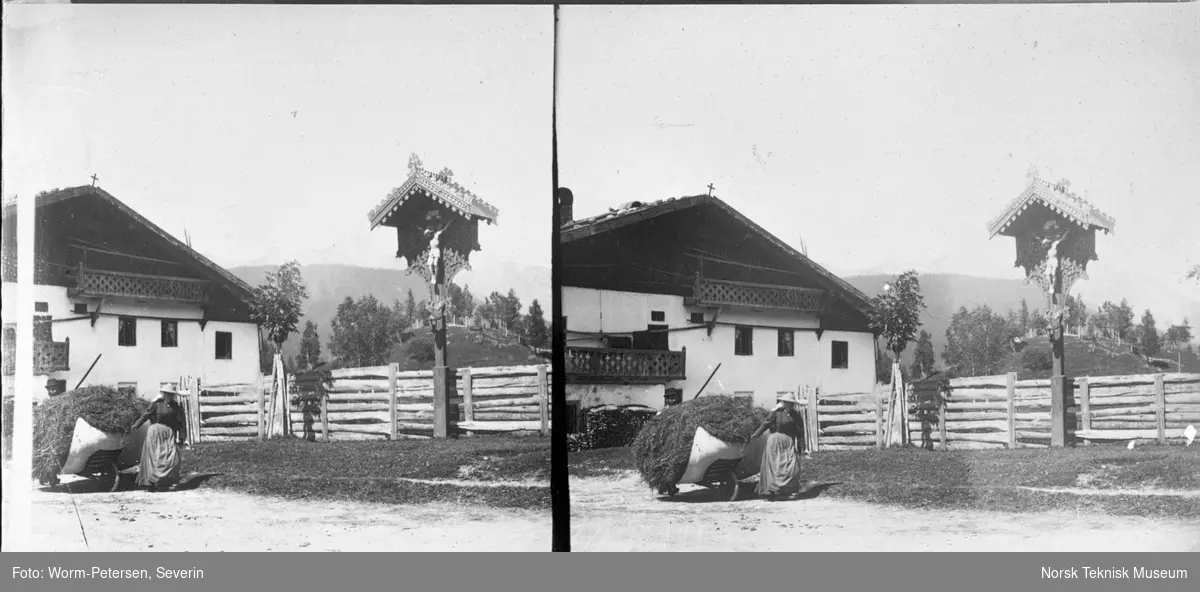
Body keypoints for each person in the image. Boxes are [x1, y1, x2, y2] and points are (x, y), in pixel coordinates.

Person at [749, 393, 809, 501]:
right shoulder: (776, 413)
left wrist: (801, 445)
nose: (789, 405)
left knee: (791, 466)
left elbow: (800, 431)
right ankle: (772, 492)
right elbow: (765, 424)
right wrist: (755, 434)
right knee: (775, 467)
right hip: (775, 442)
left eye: (791, 403)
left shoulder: (796, 415)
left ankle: (787, 491)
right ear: (783, 403)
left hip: (788, 443)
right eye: (787, 403)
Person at [130, 386, 188, 492]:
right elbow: (145, 415)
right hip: (155, 434)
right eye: (167, 394)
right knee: (154, 459)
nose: (169, 396)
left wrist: (182, 437)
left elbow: (181, 423)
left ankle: (164, 482)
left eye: (171, 394)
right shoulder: (156, 404)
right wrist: (136, 425)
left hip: (169, 434)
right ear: (164, 394)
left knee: (172, 458)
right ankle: (151, 483)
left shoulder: (176, 407)